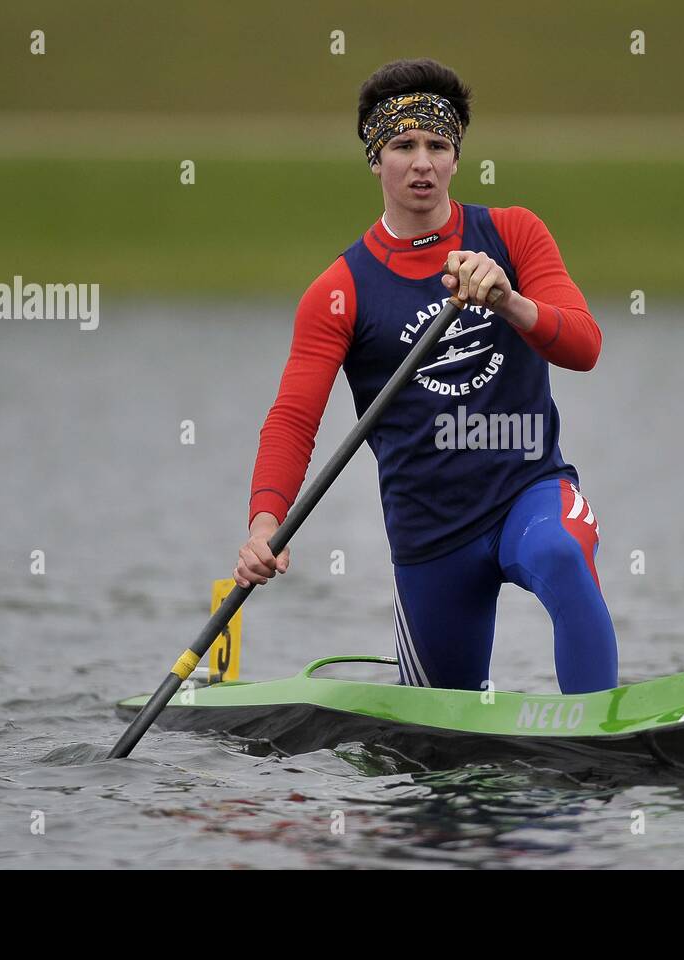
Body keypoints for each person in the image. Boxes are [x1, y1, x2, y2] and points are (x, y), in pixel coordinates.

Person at [234, 57, 617, 694]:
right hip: (430, 534)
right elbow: (294, 419)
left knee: (559, 553)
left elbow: (584, 346)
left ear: (457, 157)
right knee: (437, 765)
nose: (422, 163)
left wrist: (510, 301)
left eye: (438, 145)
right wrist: (264, 526)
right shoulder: (340, 290)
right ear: (375, 157)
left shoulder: (513, 234)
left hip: (530, 491)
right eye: (403, 145)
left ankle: (605, 741)